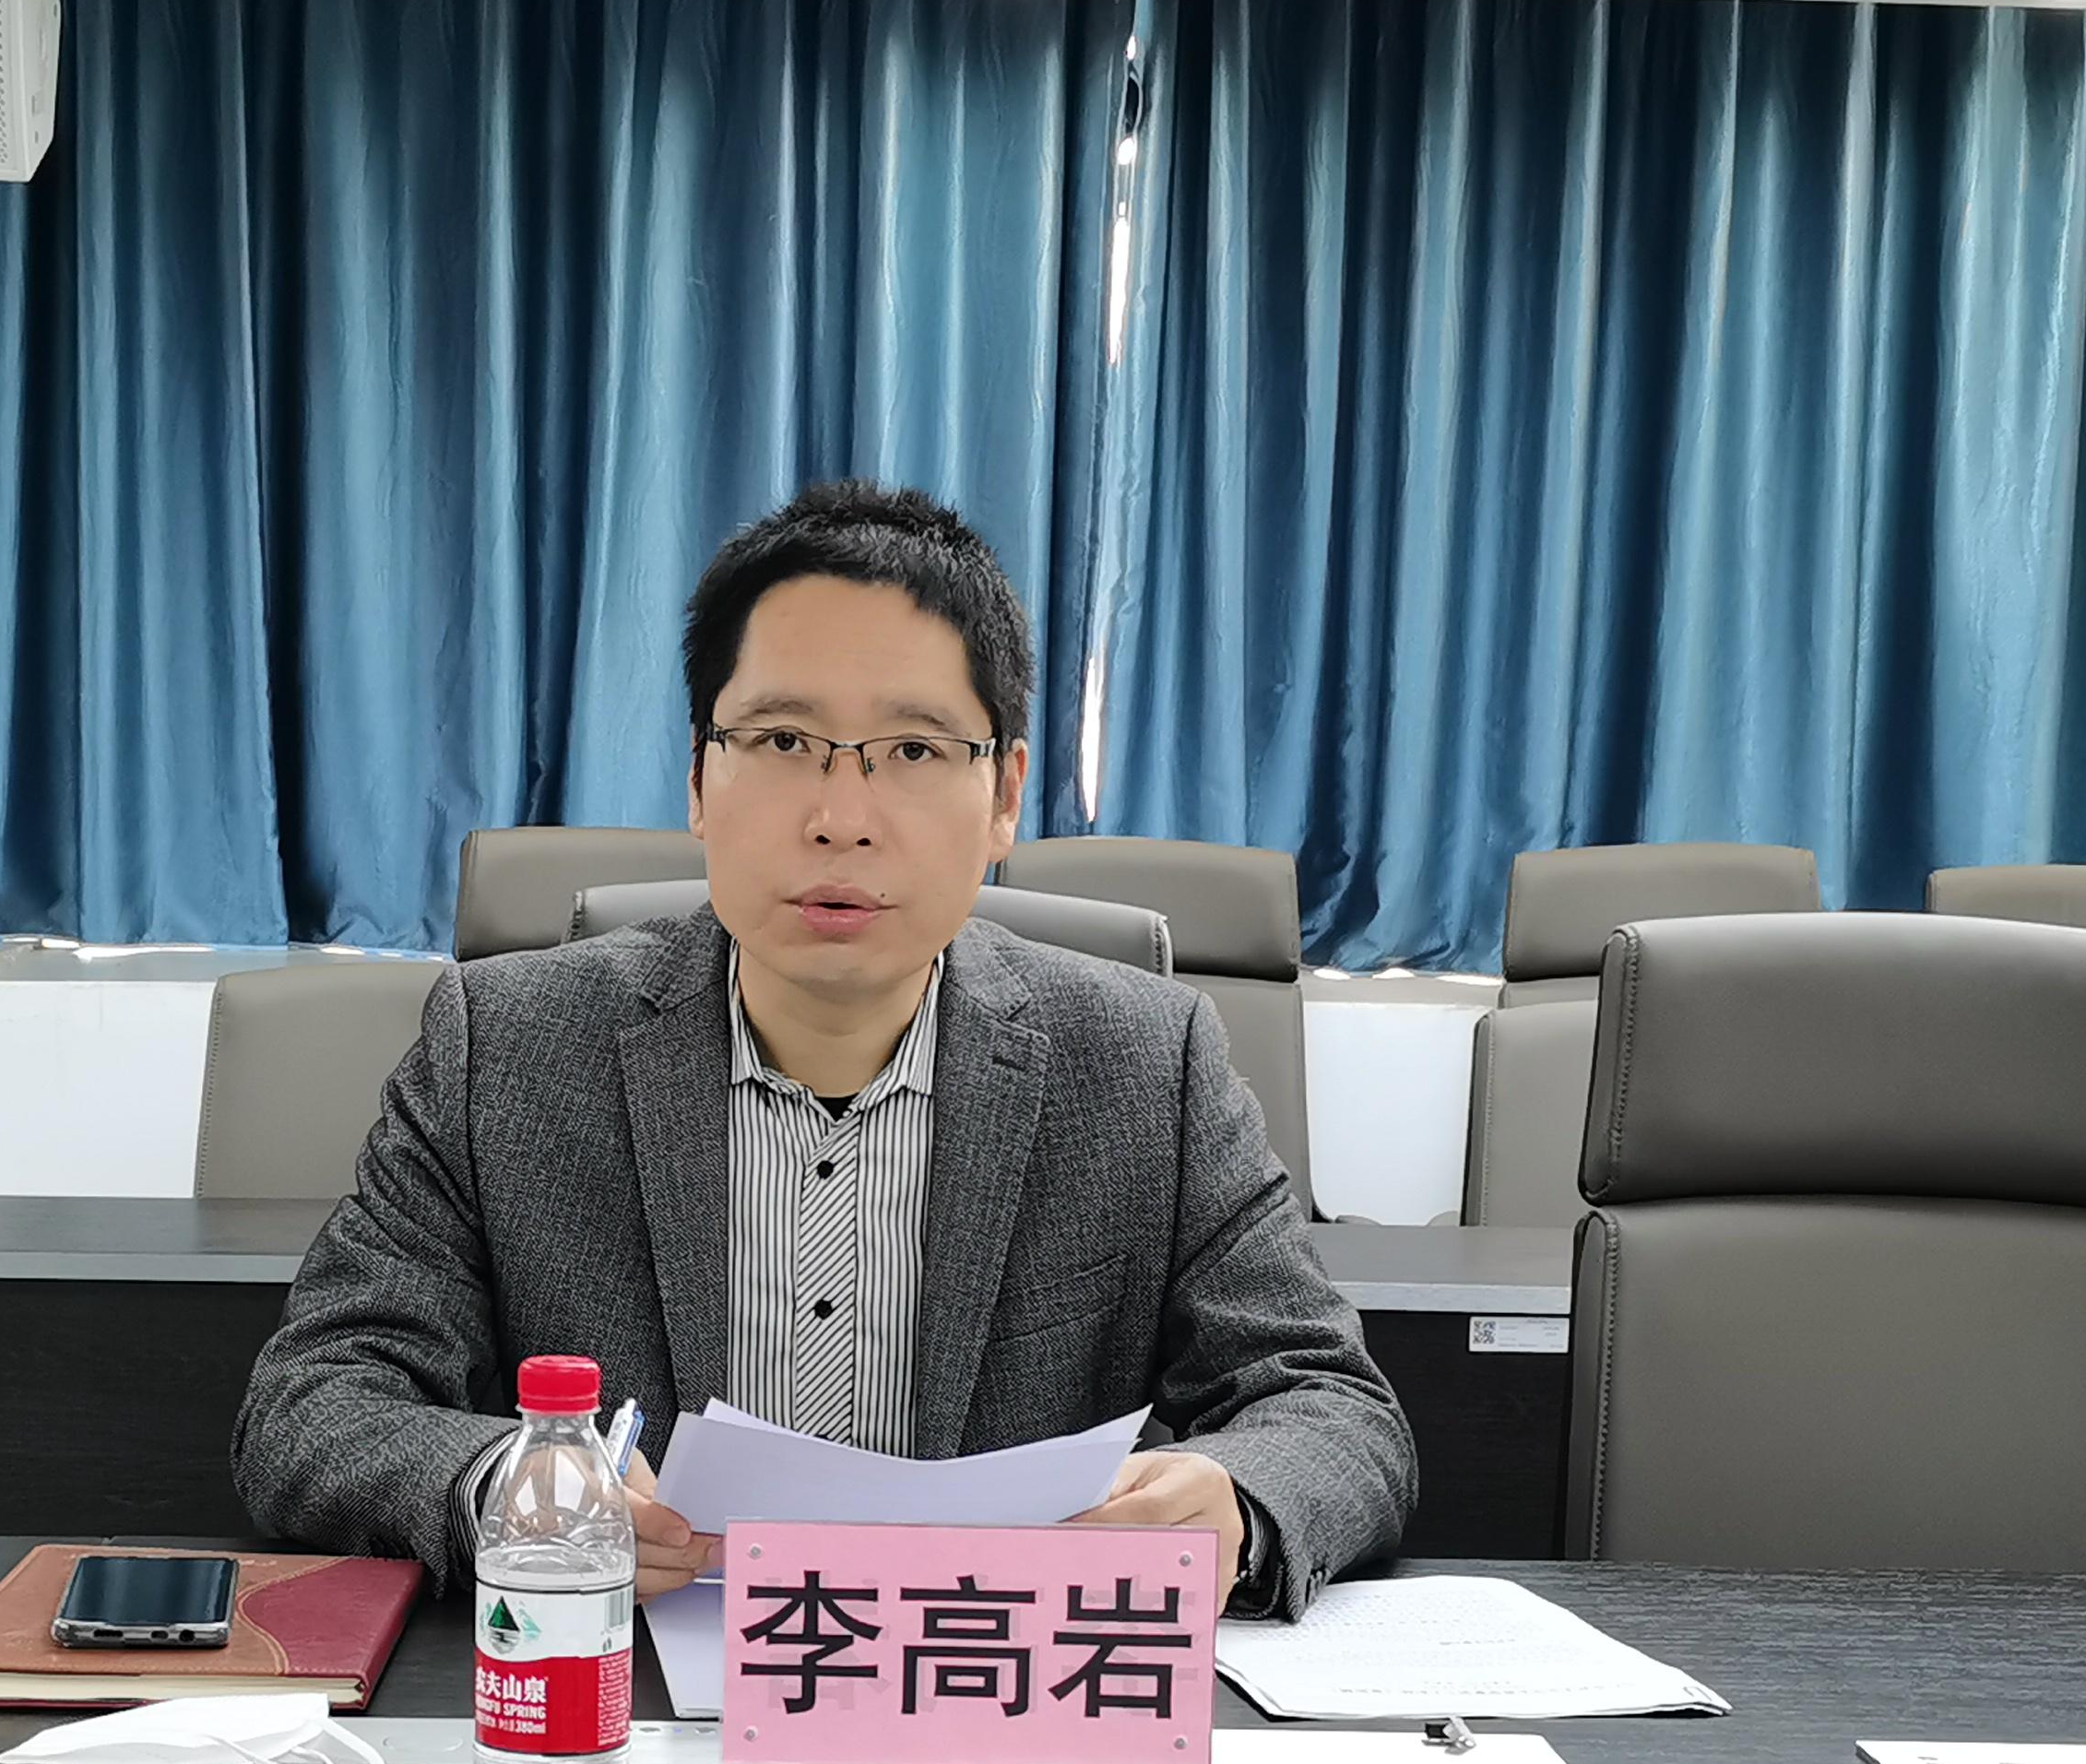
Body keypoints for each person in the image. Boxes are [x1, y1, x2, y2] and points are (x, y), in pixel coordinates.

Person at [234, 481, 1414, 1616]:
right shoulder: (507, 1049)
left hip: (987, 1693)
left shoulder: (1145, 1066)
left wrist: (1234, 1502)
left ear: (1005, 796)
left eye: (914, 751)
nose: (841, 817)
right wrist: (518, 1487)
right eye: (783, 739)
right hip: (627, 1700)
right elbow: (313, 1405)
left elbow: (1331, 1409)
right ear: (700, 780)